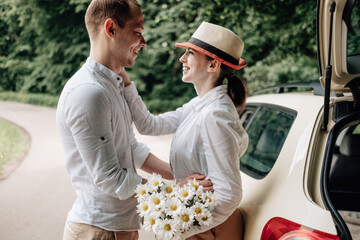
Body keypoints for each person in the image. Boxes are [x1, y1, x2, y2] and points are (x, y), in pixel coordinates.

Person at [56, 1, 212, 239]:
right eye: (137, 32)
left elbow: (129, 149)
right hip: (98, 231)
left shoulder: (111, 85)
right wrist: (174, 190)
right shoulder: (88, 92)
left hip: (120, 228)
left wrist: (181, 176)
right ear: (111, 29)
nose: (144, 42)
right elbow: (110, 178)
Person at [121, 21, 249, 239]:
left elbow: (228, 194)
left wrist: (181, 224)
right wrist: (125, 81)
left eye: (190, 53)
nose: (182, 59)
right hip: (203, 225)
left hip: (212, 229)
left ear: (213, 65)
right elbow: (149, 125)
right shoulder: (198, 105)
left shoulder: (215, 115)